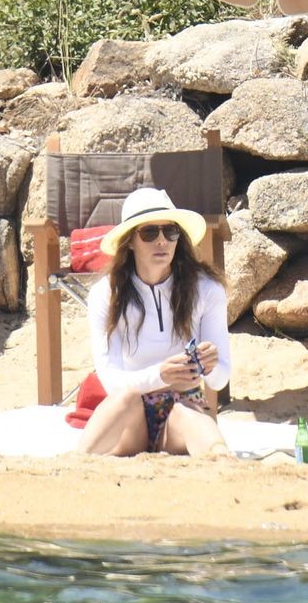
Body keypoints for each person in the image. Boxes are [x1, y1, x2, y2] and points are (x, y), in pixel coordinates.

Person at [79, 185, 231, 457]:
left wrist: (210, 366)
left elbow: (220, 380)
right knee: (124, 399)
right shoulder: (106, 294)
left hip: (182, 408)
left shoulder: (206, 290)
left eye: (170, 232)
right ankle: (76, 462)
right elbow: (111, 381)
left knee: (189, 415)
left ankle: (224, 463)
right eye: (149, 233)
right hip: (132, 413)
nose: (162, 241)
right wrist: (160, 375)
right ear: (130, 241)